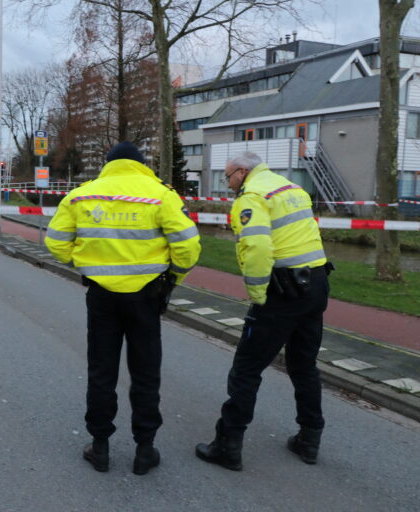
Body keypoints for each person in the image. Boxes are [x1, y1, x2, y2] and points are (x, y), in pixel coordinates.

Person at [46, 141, 201, 475]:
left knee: (102, 371)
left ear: (108, 164)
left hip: (101, 296)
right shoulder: (161, 194)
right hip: (146, 295)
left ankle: (100, 447)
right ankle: (145, 449)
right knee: (146, 373)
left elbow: (55, 242)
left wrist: (84, 263)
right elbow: (188, 246)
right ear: (141, 164)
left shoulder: (81, 195)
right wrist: (172, 276)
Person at [195, 151, 332, 471]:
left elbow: (257, 247)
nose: (227, 184)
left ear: (242, 172)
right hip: (316, 284)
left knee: (246, 368)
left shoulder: (252, 197)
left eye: (227, 177)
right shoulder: (291, 189)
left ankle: (228, 445)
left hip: (281, 292)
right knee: (304, 366)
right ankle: (309, 439)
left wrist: (258, 295)